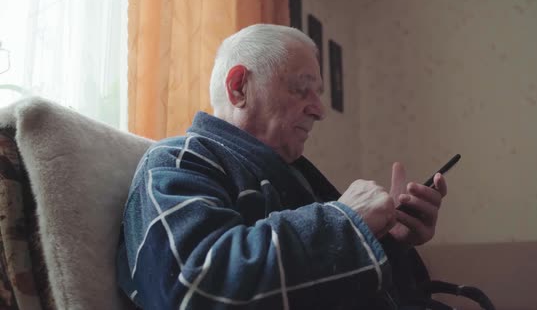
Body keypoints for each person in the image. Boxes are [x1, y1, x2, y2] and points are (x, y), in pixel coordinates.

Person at [116, 24, 447, 310]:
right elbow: (192, 290)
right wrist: (346, 222)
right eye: (302, 89)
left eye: (317, 94)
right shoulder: (179, 161)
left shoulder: (296, 176)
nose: (320, 111)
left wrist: (391, 239)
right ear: (238, 87)